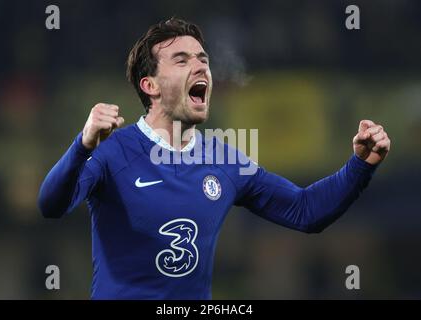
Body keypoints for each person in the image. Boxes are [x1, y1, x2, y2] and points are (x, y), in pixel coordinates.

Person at [38, 18, 391, 299]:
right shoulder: (114, 151)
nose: (201, 67)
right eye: (182, 60)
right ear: (151, 86)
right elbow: (51, 205)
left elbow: (306, 211)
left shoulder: (224, 158)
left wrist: (360, 164)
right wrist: (83, 146)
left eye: (203, 60)